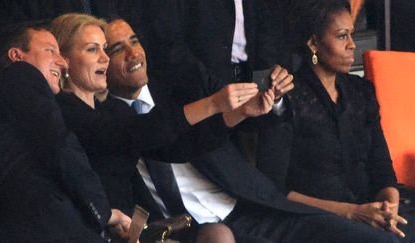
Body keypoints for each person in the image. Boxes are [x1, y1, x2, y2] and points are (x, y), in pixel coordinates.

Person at [103, 18, 401, 243]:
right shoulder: (102, 121)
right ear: (101, 61)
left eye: (134, 40)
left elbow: (242, 120)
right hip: (187, 231)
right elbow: (152, 136)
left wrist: (268, 103)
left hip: (250, 206)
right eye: (116, 48)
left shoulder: (182, 83)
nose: (132, 52)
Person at [51, 13, 273, 242]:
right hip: (100, 233)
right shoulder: (64, 111)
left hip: (135, 231)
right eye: (92, 50)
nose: (104, 58)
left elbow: (175, 147)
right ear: (64, 60)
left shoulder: (107, 109)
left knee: (217, 234)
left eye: (105, 49)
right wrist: (213, 103)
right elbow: (137, 132)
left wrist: (238, 113)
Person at [256, 0, 414, 242]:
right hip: (317, 217)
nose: (352, 45)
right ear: (314, 44)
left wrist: (390, 207)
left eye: (352, 34)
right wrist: (352, 212)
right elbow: (275, 189)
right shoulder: (287, 97)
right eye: (342, 36)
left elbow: (382, 168)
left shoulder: (362, 91)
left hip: (370, 208)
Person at [0, 21, 132, 242]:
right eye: (50, 51)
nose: (62, 63)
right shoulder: (19, 74)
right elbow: (61, 147)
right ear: (16, 55)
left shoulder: (4, 105)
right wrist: (103, 211)